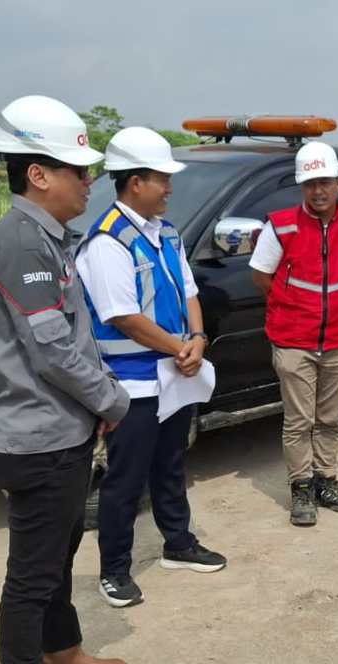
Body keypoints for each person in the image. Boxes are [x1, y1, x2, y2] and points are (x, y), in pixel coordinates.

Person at [0, 95, 130, 664]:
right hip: (39, 440)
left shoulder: (44, 238)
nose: (89, 182)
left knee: (58, 559)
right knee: (32, 578)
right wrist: (113, 400)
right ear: (38, 174)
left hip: (60, 431)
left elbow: (69, 339)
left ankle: (65, 654)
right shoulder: (20, 242)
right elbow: (54, 353)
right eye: (77, 170)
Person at [77, 127, 227, 609]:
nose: (169, 187)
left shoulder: (167, 234)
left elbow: (188, 293)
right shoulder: (107, 242)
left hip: (172, 374)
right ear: (135, 182)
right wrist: (180, 348)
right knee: (125, 479)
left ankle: (178, 544)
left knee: (171, 465)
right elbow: (121, 315)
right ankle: (114, 570)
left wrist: (198, 340)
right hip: (133, 382)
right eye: (162, 178)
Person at [249, 141, 338, 526]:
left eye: (324, 182)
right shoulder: (281, 225)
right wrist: (295, 307)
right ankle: (301, 487)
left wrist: (331, 309)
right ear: (301, 187)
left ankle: (326, 480)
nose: (317, 191)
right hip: (293, 341)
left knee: (331, 419)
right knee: (299, 420)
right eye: (309, 184)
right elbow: (260, 276)